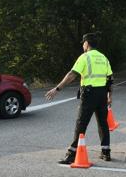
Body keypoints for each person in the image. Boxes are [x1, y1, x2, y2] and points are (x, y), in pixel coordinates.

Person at [45, 32, 114, 164]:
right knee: (103, 123)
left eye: (83, 43)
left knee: (81, 123)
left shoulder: (85, 57)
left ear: (87, 44)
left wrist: (57, 88)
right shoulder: (104, 58)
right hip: (102, 95)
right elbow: (110, 79)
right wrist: (110, 96)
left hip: (89, 94)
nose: (83, 45)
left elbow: (72, 75)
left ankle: (72, 154)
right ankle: (106, 152)